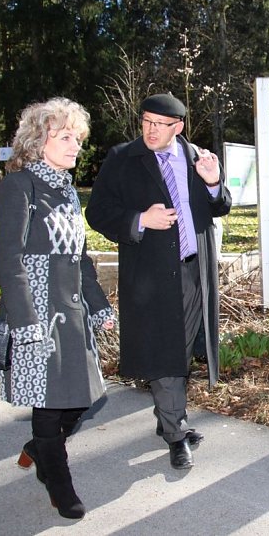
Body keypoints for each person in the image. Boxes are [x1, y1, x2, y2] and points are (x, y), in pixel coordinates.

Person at [85, 93, 231, 470]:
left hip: (195, 268)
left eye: (159, 124)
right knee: (167, 350)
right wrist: (139, 220)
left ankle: (169, 417)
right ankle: (175, 432)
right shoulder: (122, 158)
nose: (150, 129)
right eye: (145, 121)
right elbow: (98, 212)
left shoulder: (198, 157)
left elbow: (220, 205)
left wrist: (214, 183)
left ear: (177, 127)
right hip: (150, 272)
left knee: (183, 349)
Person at [0, 97, 116, 520]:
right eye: (65, 137)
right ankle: (57, 479)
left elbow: (79, 258)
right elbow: (8, 261)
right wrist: (25, 322)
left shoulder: (65, 189)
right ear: (38, 139)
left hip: (72, 309)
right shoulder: (18, 186)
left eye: (77, 139)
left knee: (81, 398)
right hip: (37, 311)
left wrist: (98, 306)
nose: (75, 146)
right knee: (47, 403)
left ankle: (37, 450)